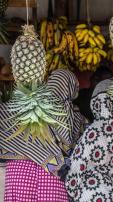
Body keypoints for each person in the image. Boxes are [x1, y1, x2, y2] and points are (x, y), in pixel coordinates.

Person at [0, 69, 85, 201]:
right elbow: (74, 144)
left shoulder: (22, 107)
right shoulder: (72, 114)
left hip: (20, 173)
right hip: (53, 176)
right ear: (72, 88)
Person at [65, 79, 113, 202]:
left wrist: (72, 188)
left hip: (90, 191)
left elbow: (79, 161)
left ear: (98, 102)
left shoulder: (97, 129)